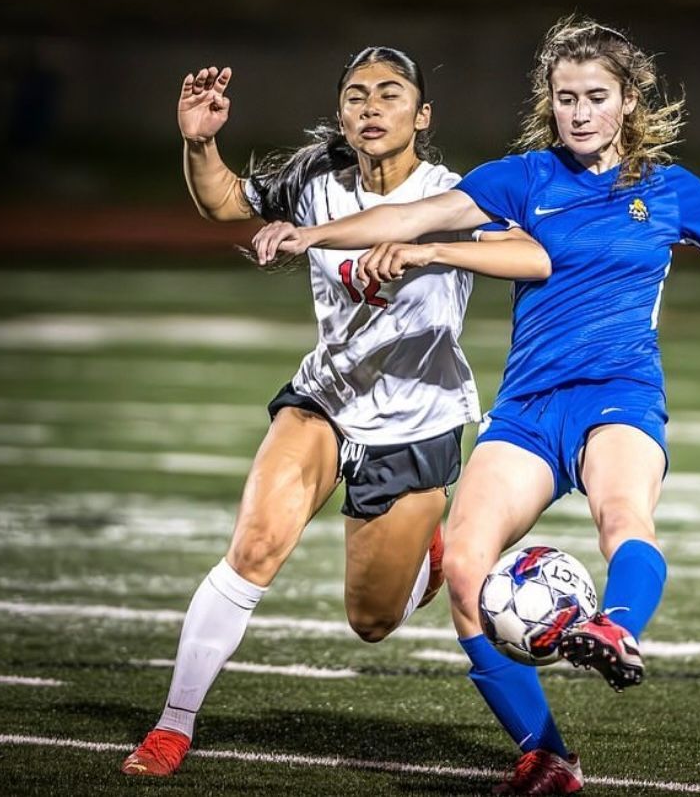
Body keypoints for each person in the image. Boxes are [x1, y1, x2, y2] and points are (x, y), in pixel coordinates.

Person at [250, 16, 700, 795]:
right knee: (461, 568)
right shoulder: (521, 179)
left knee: (622, 519)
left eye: (596, 97)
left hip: (619, 397)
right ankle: (547, 755)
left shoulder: (670, 192)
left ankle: (615, 631)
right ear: (549, 104)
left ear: (627, 101)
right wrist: (311, 234)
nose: (580, 112)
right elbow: (406, 218)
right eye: (565, 99)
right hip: (526, 407)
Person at [121, 48, 551, 778]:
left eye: (390, 95)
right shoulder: (317, 179)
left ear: (422, 116)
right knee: (253, 549)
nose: (370, 108)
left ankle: (428, 560)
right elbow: (224, 200)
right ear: (342, 113)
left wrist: (430, 252)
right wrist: (199, 142)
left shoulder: (455, 193)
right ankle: (173, 725)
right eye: (356, 95)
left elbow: (532, 252)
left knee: (373, 621)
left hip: (417, 421)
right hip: (324, 398)